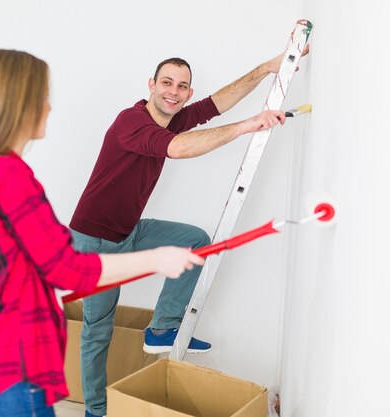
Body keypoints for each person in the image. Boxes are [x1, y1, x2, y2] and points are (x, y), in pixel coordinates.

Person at [0, 49, 204, 417]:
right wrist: (158, 259)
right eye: (42, 98)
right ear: (19, 106)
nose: (48, 108)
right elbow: (67, 269)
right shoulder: (12, 177)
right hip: (17, 376)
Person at [70, 50, 302, 417]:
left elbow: (215, 104)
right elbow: (176, 149)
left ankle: (162, 328)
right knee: (98, 332)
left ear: (187, 92)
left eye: (182, 86)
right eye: (166, 83)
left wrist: (265, 69)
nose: (173, 92)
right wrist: (248, 126)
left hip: (128, 232)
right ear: (151, 85)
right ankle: (95, 412)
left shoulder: (171, 119)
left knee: (195, 240)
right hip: (94, 242)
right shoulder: (131, 121)